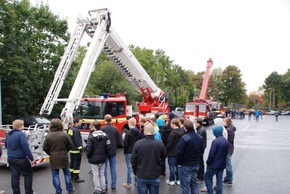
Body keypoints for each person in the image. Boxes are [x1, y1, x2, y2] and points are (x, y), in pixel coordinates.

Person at [131, 124, 167, 194]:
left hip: (141, 174)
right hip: (155, 174)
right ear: (153, 132)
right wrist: (160, 170)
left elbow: (133, 160)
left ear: (144, 132)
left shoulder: (138, 144)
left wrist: (135, 171)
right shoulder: (159, 144)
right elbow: (164, 158)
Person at [43, 119, 75, 194]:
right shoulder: (64, 134)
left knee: (55, 175)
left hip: (53, 157)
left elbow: (45, 148)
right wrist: (65, 151)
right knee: (67, 173)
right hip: (64, 156)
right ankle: (70, 189)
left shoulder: (49, 136)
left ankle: (58, 191)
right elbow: (70, 145)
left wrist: (50, 153)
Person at [5, 119, 35, 194]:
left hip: (11, 159)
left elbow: (6, 145)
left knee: (14, 177)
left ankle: (16, 192)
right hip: (21, 159)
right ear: (20, 126)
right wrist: (31, 158)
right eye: (23, 125)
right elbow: (25, 147)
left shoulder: (8, 134)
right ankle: (28, 192)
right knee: (28, 175)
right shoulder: (21, 134)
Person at [176, 120, 203, 194]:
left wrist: (178, 162)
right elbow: (201, 149)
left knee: (185, 186)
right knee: (194, 184)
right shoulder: (199, 137)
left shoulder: (185, 138)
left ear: (185, 128)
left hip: (186, 164)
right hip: (196, 164)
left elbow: (179, 152)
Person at [85, 121, 111, 194]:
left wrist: (88, 156)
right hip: (103, 158)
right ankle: (103, 188)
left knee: (95, 174)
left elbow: (88, 148)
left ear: (94, 127)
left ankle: (97, 189)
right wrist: (105, 155)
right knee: (102, 174)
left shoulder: (91, 136)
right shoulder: (105, 135)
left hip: (93, 159)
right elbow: (109, 147)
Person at [204, 126, 229, 194]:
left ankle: (210, 192)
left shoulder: (215, 141)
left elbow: (212, 154)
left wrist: (208, 161)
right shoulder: (226, 141)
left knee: (207, 177)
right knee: (219, 180)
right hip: (222, 164)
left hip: (214, 164)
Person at [101, 114, 120, 190]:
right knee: (113, 168)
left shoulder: (102, 129)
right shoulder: (115, 129)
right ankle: (114, 184)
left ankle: (105, 184)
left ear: (104, 119)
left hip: (104, 151)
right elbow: (118, 141)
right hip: (113, 151)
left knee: (104, 168)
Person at [123, 118, 143, 188]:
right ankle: (137, 182)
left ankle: (129, 182)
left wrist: (125, 152)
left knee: (129, 167)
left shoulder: (128, 133)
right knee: (137, 166)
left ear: (129, 124)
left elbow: (126, 144)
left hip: (129, 152)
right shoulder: (139, 133)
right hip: (137, 152)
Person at [165, 118, 184, 186]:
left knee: (172, 167)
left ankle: (172, 180)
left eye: (171, 124)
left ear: (173, 124)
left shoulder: (172, 133)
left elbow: (169, 144)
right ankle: (178, 179)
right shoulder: (181, 132)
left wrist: (166, 150)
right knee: (178, 166)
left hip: (172, 152)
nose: (170, 125)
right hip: (179, 152)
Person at [68, 117, 85, 182]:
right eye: (80, 122)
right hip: (76, 150)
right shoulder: (76, 131)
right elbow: (77, 141)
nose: (81, 124)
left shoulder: (71, 129)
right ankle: (76, 177)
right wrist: (81, 149)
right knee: (76, 163)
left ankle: (71, 175)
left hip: (72, 149)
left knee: (72, 162)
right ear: (76, 122)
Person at [223, 117, 236, 186]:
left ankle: (229, 179)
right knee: (228, 163)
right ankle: (228, 177)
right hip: (230, 148)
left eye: (224, 121)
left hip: (228, 149)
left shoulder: (228, 130)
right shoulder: (231, 128)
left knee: (228, 164)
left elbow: (226, 139)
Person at [195, 118, 207, 183]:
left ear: (198, 123)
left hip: (200, 149)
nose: (194, 123)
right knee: (200, 162)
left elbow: (199, 140)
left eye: (195, 122)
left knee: (200, 162)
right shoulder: (201, 129)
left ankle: (200, 177)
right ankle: (200, 176)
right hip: (201, 148)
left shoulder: (201, 130)